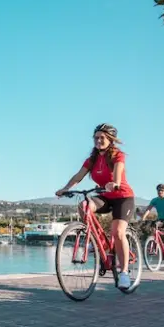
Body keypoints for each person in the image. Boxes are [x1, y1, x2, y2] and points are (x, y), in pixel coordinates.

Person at [55, 123, 136, 290]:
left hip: (123, 197)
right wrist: (66, 188)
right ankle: (100, 242)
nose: (98, 140)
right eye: (96, 138)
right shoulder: (92, 159)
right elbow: (79, 175)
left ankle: (124, 273)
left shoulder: (117, 155)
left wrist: (115, 183)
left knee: (118, 232)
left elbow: (118, 171)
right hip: (105, 196)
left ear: (110, 140)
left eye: (102, 138)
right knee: (84, 204)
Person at [141, 184, 164, 256]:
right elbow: (148, 209)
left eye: (162, 190)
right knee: (154, 228)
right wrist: (143, 218)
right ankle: (155, 244)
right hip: (161, 219)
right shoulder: (155, 200)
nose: (160, 192)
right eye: (158, 190)